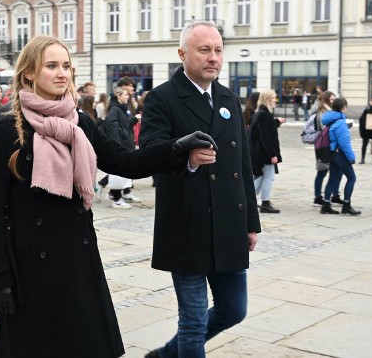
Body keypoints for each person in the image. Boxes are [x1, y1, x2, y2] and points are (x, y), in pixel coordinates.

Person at [0, 35, 216, 358]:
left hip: (77, 262)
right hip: (28, 270)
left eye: (66, 66)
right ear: (30, 73)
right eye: (51, 66)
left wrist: (176, 148)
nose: (62, 73)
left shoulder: (81, 125)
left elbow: (126, 162)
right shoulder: (6, 131)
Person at [140, 21, 260, 358]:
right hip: (186, 225)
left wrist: (251, 221)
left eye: (218, 50)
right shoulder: (162, 98)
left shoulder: (228, 98)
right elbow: (149, 153)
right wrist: (186, 157)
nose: (213, 58)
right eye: (204, 50)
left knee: (234, 310)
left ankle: (163, 355)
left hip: (227, 226)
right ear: (182, 54)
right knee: (192, 323)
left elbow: (243, 166)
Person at [321, 97, 361, 215]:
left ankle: (326, 205)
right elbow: (344, 143)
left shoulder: (331, 119)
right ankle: (347, 206)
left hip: (333, 153)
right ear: (343, 107)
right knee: (352, 178)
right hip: (340, 154)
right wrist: (351, 158)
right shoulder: (340, 122)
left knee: (332, 179)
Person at [102, 87, 141, 208]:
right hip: (121, 145)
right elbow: (112, 127)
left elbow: (125, 126)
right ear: (118, 96)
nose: (127, 96)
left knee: (126, 171)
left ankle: (124, 193)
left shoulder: (122, 109)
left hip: (126, 144)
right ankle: (116, 198)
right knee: (118, 173)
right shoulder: (115, 109)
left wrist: (134, 119)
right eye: (125, 95)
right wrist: (116, 145)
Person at [249, 89, 283, 213]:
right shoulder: (263, 114)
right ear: (267, 99)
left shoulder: (263, 113)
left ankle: (248, 197)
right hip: (263, 153)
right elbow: (265, 137)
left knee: (263, 176)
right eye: (273, 98)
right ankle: (265, 202)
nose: (275, 100)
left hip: (261, 152)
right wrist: (272, 154)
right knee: (268, 177)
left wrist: (277, 122)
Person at [311, 91, 344, 207]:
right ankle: (318, 198)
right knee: (322, 172)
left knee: (337, 171)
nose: (333, 102)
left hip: (333, 146)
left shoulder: (332, 112)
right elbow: (326, 130)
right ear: (326, 100)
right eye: (331, 100)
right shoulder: (323, 112)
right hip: (324, 146)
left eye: (335, 99)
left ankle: (335, 195)